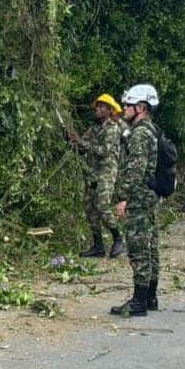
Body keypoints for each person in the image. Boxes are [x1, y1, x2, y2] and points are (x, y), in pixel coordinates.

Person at [110, 84, 160, 317]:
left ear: (140, 107)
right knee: (150, 246)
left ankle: (139, 302)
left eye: (128, 105)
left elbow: (136, 169)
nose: (124, 108)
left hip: (139, 198)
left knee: (139, 248)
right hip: (149, 196)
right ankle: (150, 297)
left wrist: (123, 197)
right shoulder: (151, 130)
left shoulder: (140, 133)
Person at [69, 94, 125, 258]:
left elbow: (103, 150)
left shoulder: (112, 128)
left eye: (102, 107)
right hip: (92, 173)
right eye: (97, 106)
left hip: (106, 173)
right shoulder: (94, 128)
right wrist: (71, 140)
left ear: (109, 110)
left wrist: (81, 142)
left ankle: (118, 238)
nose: (98, 109)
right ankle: (98, 246)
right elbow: (82, 146)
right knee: (89, 208)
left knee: (102, 205)